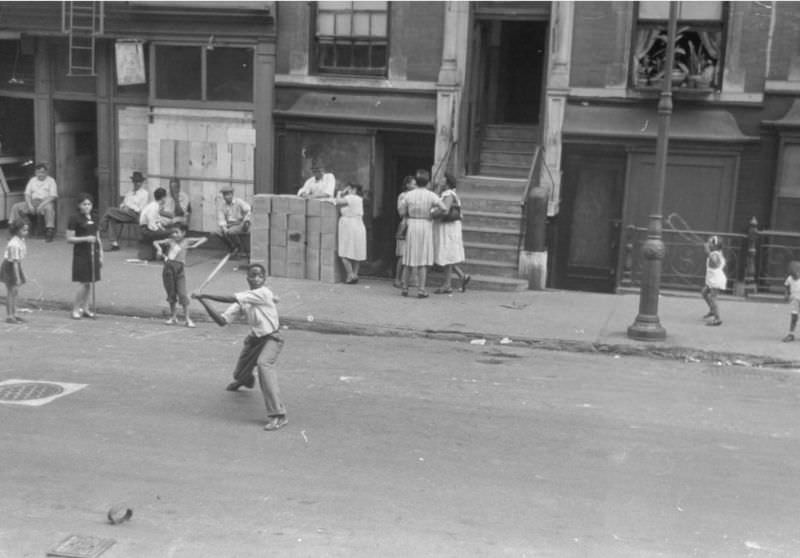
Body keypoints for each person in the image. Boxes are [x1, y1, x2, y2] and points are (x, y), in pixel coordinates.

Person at [192, 263, 288, 432]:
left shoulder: (263, 293)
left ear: (264, 279)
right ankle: (244, 379)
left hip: (273, 338)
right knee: (239, 374)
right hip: (255, 339)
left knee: (264, 365)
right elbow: (222, 321)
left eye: (260, 276)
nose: (257, 279)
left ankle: (278, 415)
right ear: (247, 278)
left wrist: (205, 294)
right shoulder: (245, 300)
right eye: (253, 275)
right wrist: (203, 301)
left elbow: (232, 298)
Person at [397, 169, 446, 298]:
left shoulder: (409, 195)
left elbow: (401, 212)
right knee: (422, 258)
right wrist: (432, 214)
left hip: (412, 224)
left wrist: (408, 213)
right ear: (427, 182)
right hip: (425, 225)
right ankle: (421, 289)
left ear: (416, 181)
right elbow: (444, 208)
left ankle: (405, 288)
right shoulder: (431, 195)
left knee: (408, 258)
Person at [154, 223, 207, 328]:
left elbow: (204, 238)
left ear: (183, 233)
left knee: (183, 294)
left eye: (177, 232)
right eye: (173, 232)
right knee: (171, 293)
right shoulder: (170, 241)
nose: (174, 234)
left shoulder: (186, 241)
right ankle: (173, 317)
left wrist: (195, 245)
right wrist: (159, 250)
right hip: (168, 269)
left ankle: (187, 318)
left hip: (180, 269)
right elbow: (155, 242)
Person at [66, 193, 102, 320]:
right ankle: (76, 308)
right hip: (81, 253)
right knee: (83, 282)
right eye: (84, 204)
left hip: (93, 252)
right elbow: (69, 238)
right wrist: (86, 238)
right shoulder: (74, 218)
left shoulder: (95, 217)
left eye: (89, 204)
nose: (87, 207)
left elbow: (98, 237)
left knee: (89, 282)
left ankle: (86, 308)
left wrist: (101, 254)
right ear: (79, 205)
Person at [433, 172, 470, 294]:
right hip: (450, 226)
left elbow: (445, 210)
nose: (440, 180)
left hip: (448, 227)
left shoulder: (448, 194)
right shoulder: (448, 194)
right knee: (448, 255)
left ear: (447, 182)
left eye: (442, 179)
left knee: (447, 254)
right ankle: (462, 276)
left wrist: (432, 213)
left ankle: (447, 285)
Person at [99, 171, 149, 251]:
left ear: (142, 182)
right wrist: (123, 207)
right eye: (135, 181)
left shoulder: (145, 194)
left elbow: (141, 209)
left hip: (135, 215)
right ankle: (114, 244)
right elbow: (123, 203)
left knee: (109, 210)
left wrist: (129, 207)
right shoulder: (129, 192)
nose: (137, 183)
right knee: (111, 218)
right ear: (133, 182)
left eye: (139, 182)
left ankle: (101, 229)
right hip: (125, 213)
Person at [10, 163, 58, 242]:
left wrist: (41, 205)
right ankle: (13, 228)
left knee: (49, 209)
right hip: (33, 202)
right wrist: (29, 205)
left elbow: (53, 196)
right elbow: (27, 194)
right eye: (38, 172)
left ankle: (49, 231)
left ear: (46, 172)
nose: (40, 174)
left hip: (45, 202)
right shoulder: (32, 180)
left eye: (42, 172)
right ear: (35, 173)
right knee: (16, 206)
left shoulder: (51, 180)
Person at [333, 183, 367, 284]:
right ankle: (355, 274)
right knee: (356, 252)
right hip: (358, 224)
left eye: (348, 188)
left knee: (344, 252)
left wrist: (339, 193)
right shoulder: (359, 199)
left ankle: (350, 274)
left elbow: (337, 201)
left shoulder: (351, 197)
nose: (346, 190)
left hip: (348, 226)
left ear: (353, 189)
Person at [0, 219, 29, 324]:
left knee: (15, 292)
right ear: (17, 231)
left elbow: (19, 261)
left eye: (26, 230)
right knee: (11, 291)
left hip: (16, 265)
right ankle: (9, 315)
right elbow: (14, 263)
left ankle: (15, 313)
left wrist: (22, 273)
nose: (26, 232)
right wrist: (17, 278)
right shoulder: (14, 244)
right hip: (10, 266)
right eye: (24, 230)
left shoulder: (21, 240)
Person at [216, 186, 251, 258]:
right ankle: (233, 247)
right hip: (230, 224)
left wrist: (246, 220)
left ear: (232, 194)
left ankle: (238, 248)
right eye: (224, 195)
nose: (226, 197)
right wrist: (224, 227)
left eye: (228, 194)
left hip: (241, 223)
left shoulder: (239, 201)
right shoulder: (222, 205)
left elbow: (248, 210)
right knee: (217, 232)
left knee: (230, 231)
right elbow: (221, 218)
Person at [394, 175, 415, 288]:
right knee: (402, 254)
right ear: (407, 185)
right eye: (413, 183)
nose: (415, 186)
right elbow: (401, 212)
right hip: (405, 224)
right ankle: (397, 279)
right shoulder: (403, 196)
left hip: (414, 225)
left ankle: (407, 279)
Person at [138, 187, 172, 258]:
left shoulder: (155, 205)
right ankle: (165, 253)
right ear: (163, 198)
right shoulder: (154, 207)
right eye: (165, 197)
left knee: (166, 231)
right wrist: (165, 231)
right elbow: (152, 226)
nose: (166, 199)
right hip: (146, 230)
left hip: (148, 229)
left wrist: (162, 228)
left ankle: (162, 251)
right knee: (171, 232)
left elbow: (157, 221)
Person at [701, 235, 725, 326]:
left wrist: (707, 250)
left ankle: (717, 318)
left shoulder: (715, 254)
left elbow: (714, 261)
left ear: (714, 246)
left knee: (712, 297)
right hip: (712, 279)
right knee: (704, 292)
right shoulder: (716, 252)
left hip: (716, 280)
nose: (707, 244)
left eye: (709, 243)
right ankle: (712, 310)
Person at [782, 261, 800, 342]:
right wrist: (786, 294)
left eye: (795, 272)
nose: (793, 275)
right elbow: (786, 285)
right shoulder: (789, 278)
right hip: (794, 299)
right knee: (794, 316)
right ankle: (791, 334)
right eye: (791, 273)